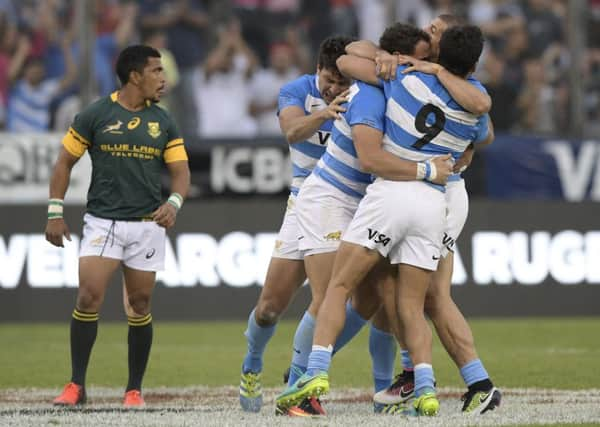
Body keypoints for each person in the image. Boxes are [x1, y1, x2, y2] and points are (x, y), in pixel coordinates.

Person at [277, 24, 491, 417]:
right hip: (377, 197)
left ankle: (330, 376)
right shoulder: (454, 92)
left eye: (430, 56)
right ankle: (415, 386)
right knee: (393, 299)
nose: (424, 62)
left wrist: (401, 64)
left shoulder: (402, 82)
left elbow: (346, 58)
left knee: (369, 293)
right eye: (421, 55)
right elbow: (484, 123)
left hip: (388, 196)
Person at [343, 15, 501, 415]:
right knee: (405, 291)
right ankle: (432, 377)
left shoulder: (443, 83)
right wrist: (387, 56)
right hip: (428, 194)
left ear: (444, 47)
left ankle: (458, 381)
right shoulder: (422, 71)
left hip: (442, 195)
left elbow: (485, 126)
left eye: (435, 31)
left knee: (429, 296)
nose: (427, 33)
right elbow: (352, 55)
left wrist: (432, 71)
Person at [47, 45, 190, 407]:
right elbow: (64, 163)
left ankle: (133, 390)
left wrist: (173, 203)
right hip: (103, 221)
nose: (163, 78)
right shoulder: (96, 114)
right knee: (88, 297)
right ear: (134, 76)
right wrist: (54, 212)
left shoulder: (164, 120)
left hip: (147, 226)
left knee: (139, 305)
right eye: (156, 71)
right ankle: (76, 386)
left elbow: (181, 172)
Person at [239, 35, 353, 413]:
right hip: (305, 200)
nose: (334, 88)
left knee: (346, 298)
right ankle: (252, 363)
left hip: (349, 204)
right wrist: (325, 111)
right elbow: (291, 132)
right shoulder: (297, 91)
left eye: (341, 81)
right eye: (328, 79)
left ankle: (303, 375)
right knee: (270, 307)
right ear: (317, 69)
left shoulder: (364, 96)